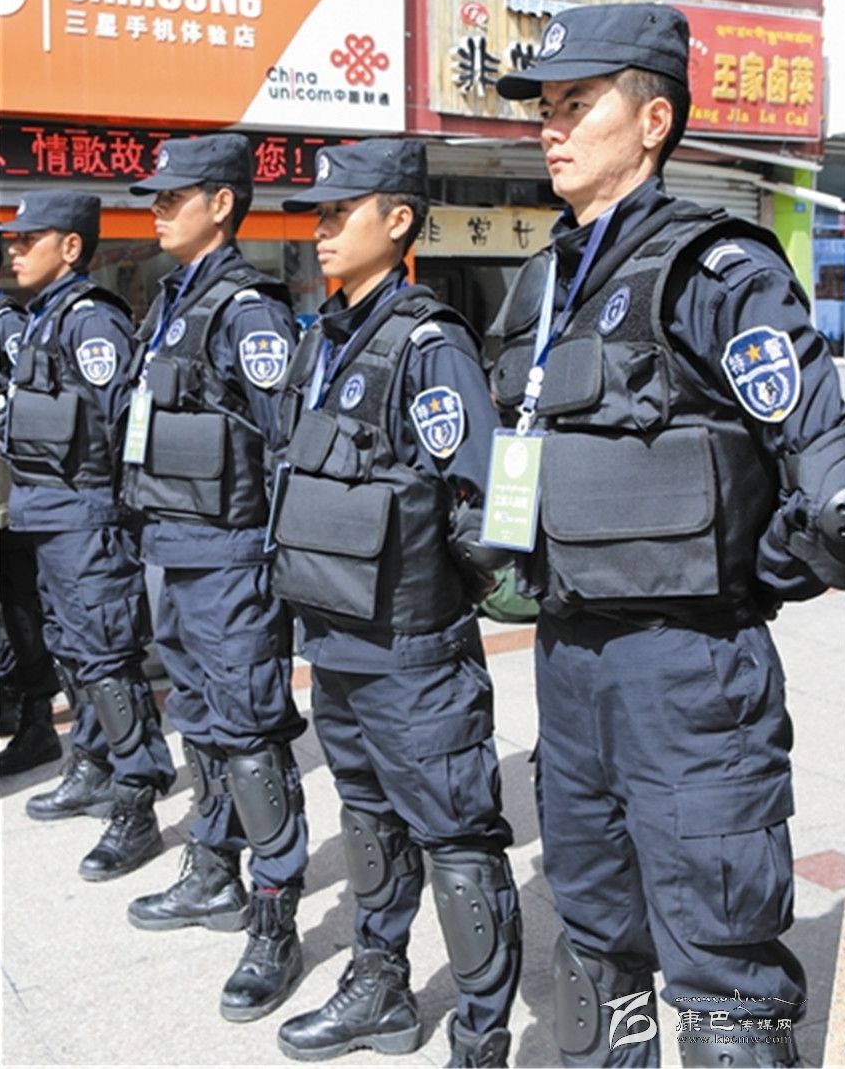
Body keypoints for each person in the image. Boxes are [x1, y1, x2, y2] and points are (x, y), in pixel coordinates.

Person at [489, 2, 845, 1068]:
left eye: (577, 104)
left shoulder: (714, 269)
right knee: (595, 943)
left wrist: (750, 570)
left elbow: (826, 469)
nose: (552, 127)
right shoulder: (544, 285)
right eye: (544, 108)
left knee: (722, 960)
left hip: (687, 671)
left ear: (653, 122)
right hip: (568, 661)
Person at [270, 138, 521, 1069]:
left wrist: (456, 598)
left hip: (413, 653)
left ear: (400, 218)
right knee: (369, 823)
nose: (324, 229)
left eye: (343, 211)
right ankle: (380, 986)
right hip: (337, 640)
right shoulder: (325, 338)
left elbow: (487, 498)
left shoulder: (428, 344)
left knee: (456, 841)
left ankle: (481, 1038)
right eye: (320, 214)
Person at [120, 133, 309, 1024]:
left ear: (222, 203)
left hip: (231, 559)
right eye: (154, 199)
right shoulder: (173, 299)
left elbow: (285, 443)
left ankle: (274, 917)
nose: (157, 211)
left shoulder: (248, 310)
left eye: (172, 198)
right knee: (199, 720)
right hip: (175, 546)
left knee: (250, 733)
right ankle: (212, 868)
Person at [0, 191, 175, 876]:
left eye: (29, 238)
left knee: (106, 659)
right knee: (73, 651)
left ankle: (137, 796)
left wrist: (122, 515)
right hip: (48, 516)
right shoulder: (43, 316)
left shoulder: (90, 320)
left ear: (70, 247)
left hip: (87, 519)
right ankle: (94, 763)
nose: (14, 248)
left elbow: (122, 426)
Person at [0, 287, 62, 774]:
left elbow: (30, 397)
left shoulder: (6, 323)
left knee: (21, 605)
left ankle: (38, 719)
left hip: (6, 496)